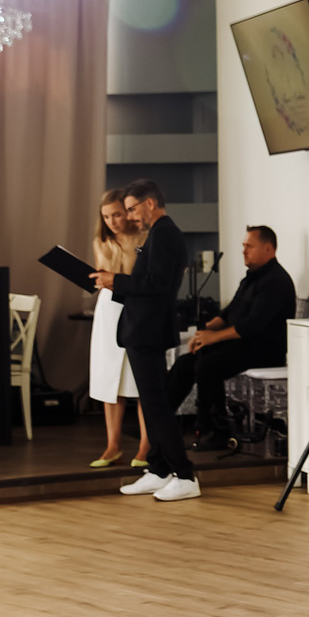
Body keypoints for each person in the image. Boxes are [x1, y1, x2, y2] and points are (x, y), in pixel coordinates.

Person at [92, 179, 199, 503]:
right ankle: (159, 469)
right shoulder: (159, 233)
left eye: (132, 209)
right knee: (153, 405)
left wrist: (116, 280)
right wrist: (116, 283)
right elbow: (149, 282)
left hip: (148, 330)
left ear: (149, 203)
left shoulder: (164, 233)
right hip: (143, 328)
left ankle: (185, 475)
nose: (130, 217)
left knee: (157, 405)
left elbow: (156, 284)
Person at [169, 225, 296, 450]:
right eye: (243, 246)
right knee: (186, 362)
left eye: (249, 246)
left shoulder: (276, 281)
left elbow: (253, 325)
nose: (243, 251)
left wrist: (214, 337)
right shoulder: (251, 278)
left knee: (208, 366)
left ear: (268, 249)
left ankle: (217, 433)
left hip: (263, 349)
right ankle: (160, 420)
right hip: (242, 345)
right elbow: (229, 313)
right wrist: (204, 332)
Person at [88, 190, 152, 470]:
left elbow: (142, 278)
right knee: (109, 378)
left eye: (116, 214)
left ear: (127, 212)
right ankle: (113, 445)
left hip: (136, 306)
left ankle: (146, 445)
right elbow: (102, 277)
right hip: (108, 309)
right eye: (106, 216)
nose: (112, 221)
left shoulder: (145, 239)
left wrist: (117, 277)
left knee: (141, 380)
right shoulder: (101, 241)